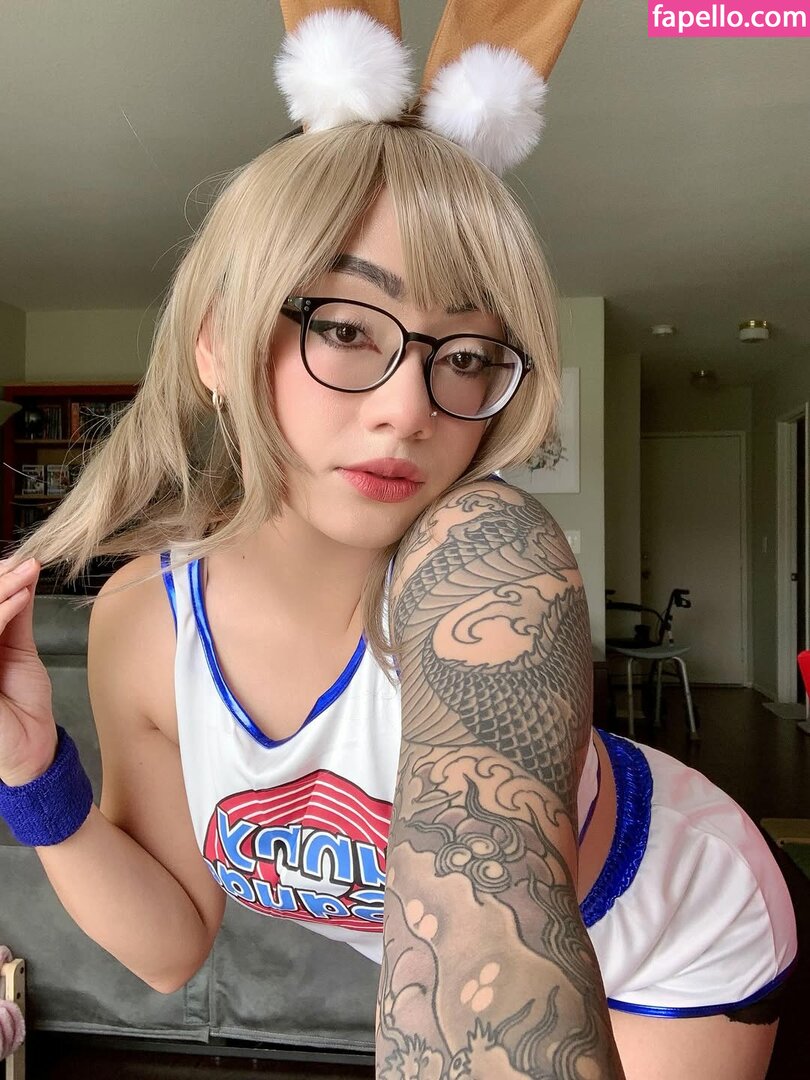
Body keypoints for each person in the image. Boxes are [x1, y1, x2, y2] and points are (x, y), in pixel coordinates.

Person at [0, 4, 796, 1078]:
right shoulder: (147, 617)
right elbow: (171, 946)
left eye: (466, 354)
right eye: (343, 327)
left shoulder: (487, 564)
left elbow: (487, 960)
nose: (410, 408)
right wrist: (30, 771)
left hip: (672, 928)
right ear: (219, 342)